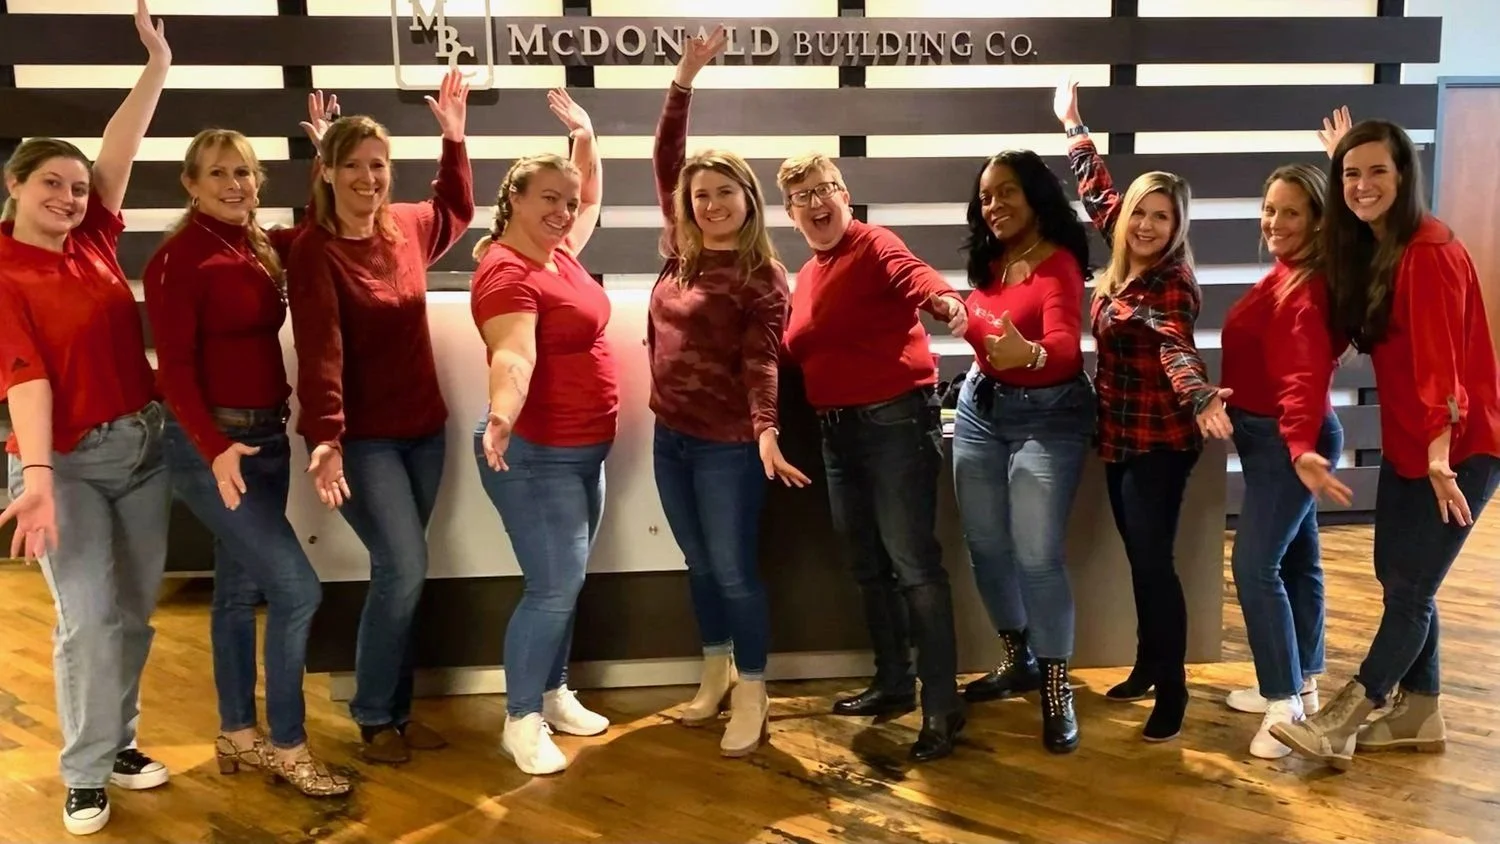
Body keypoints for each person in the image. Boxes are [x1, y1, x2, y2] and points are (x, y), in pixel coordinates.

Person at [1271, 117, 1500, 771]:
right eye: (1351, 174)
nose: (1362, 185)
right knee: (1399, 578)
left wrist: (1439, 457)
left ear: (1406, 177)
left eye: (1378, 171)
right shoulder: (1380, 245)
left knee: (1410, 591)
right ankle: (1420, 710)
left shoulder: (1429, 252)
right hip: (1411, 444)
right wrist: (1342, 157)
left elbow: (1441, 368)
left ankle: (1344, 716)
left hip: (1458, 448)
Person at [141, 98, 350, 796]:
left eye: (245, 172)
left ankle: (237, 732)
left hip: (264, 437)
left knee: (237, 592)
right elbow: (173, 371)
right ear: (191, 184)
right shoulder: (178, 259)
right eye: (219, 173)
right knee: (297, 589)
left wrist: (325, 157)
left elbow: (321, 227)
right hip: (212, 446)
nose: (235, 184)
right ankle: (289, 745)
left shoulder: (257, 244)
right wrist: (213, 448)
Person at [0, 1, 173, 834]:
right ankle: (84, 772)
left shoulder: (92, 239)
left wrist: (157, 67)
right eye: (51, 184)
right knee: (89, 621)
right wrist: (35, 480)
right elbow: (25, 378)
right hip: (60, 462)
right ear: (14, 185)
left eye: (77, 187)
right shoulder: (3, 270)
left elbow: (119, 149)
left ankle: (118, 741)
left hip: (140, 449)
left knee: (132, 617)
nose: (70, 197)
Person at [286, 67, 474, 764]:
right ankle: (373, 715)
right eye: (354, 165)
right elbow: (321, 350)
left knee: (404, 570)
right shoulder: (314, 250)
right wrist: (327, 437)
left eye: (378, 165)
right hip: (363, 442)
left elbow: (454, 207)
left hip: (424, 429)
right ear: (327, 172)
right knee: (404, 565)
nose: (369, 178)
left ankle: (396, 710)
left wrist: (454, 138)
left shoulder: (405, 228)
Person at [776, 151, 970, 762]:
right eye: (802, 196)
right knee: (867, 565)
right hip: (837, 435)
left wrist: (946, 302)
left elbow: (916, 276)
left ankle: (942, 703)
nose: (816, 202)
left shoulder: (874, 243)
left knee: (914, 566)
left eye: (825, 188)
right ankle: (893, 681)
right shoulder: (808, 275)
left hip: (894, 426)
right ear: (790, 212)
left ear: (844, 194)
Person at [1053, 79, 1232, 743]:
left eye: (1162, 216)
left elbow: (1173, 346)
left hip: (1160, 442)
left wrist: (1201, 394)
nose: (1147, 224)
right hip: (1120, 436)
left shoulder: (1171, 283)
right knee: (1140, 559)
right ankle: (1150, 664)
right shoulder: (1125, 251)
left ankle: (1173, 688)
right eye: (1141, 213)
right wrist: (1073, 125)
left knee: (1154, 565)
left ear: (1178, 226)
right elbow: (1100, 192)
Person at [650, 28, 809, 759]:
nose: (710, 204)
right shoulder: (680, 252)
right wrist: (683, 78)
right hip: (671, 437)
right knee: (699, 564)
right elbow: (666, 157)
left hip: (727, 447)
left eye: (724, 192)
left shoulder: (762, 276)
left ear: (749, 199)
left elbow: (761, 361)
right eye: (700, 195)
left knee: (735, 571)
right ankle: (714, 671)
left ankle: (753, 687)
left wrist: (767, 431)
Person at [470, 88, 615, 776]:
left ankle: (554, 694)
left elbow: (590, 198)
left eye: (568, 201)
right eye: (548, 199)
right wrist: (502, 414)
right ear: (514, 201)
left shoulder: (559, 253)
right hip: (536, 455)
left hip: (583, 454)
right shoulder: (506, 270)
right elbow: (513, 355)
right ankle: (521, 718)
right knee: (553, 587)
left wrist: (585, 138)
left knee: (567, 583)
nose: (564, 211)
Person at [950, 149, 1095, 754]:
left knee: (1036, 555)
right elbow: (985, 332)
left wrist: (1029, 355)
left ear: (1035, 195)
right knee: (985, 546)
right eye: (986, 196)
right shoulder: (991, 261)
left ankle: (1056, 686)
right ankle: (1019, 659)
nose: (994, 205)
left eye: (1006, 191)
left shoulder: (1058, 264)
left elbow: (1064, 346)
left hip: (1050, 417)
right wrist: (953, 313)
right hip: (981, 409)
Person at [1217, 163, 1343, 759]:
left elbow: (1302, 377)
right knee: (1297, 559)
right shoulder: (1288, 274)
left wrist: (1299, 448)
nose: (1275, 221)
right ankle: (1304, 681)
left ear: (1317, 221)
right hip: (1277, 439)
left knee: (1254, 566)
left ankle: (1282, 702)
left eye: (1291, 211)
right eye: (1270, 209)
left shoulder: (1308, 291)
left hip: (1290, 442)